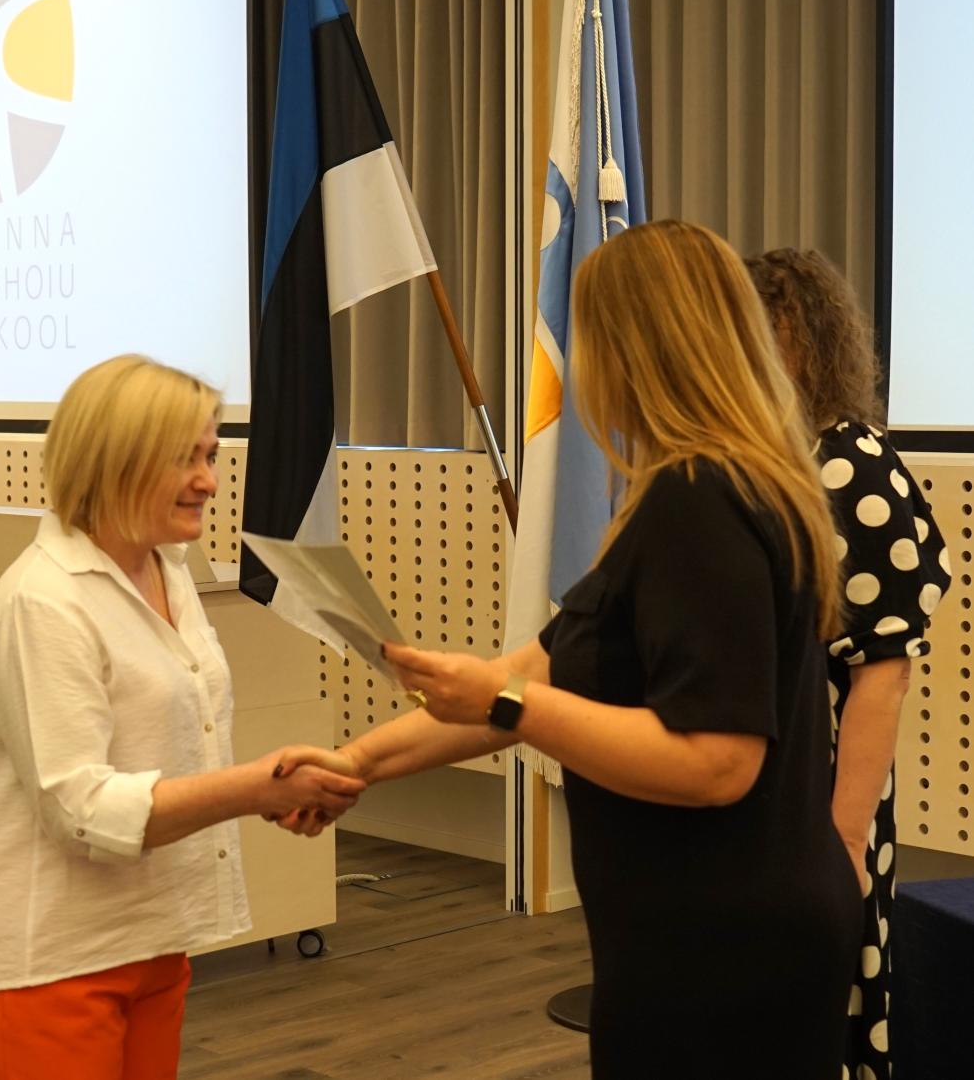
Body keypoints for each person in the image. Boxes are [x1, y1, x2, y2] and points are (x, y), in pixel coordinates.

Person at [278, 221, 863, 1079]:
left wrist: (509, 704)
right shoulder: (711, 489)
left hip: (721, 952)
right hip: (713, 935)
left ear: (638, 349)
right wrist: (354, 764)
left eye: (587, 339)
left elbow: (716, 762)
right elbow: (529, 677)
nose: (580, 367)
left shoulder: (700, 500)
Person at [0, 355, 365, 1080]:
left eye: (209, 454)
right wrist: (255, 788)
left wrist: (269, 790)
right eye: (183, 458)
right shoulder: (44, 600)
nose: (210, 480)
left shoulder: (167, 568)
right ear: (112, 460)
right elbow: (79, 809)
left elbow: (173, 747)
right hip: (44, 960)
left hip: (152, 939)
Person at [746, 247, 951, 1079]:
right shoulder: (787, 457)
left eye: (766, 335)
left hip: (825, 805)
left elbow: (883, 669)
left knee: (821, 1018)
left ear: (809, 341)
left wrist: (842, 842)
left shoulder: (849, 462)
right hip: (779, 797)